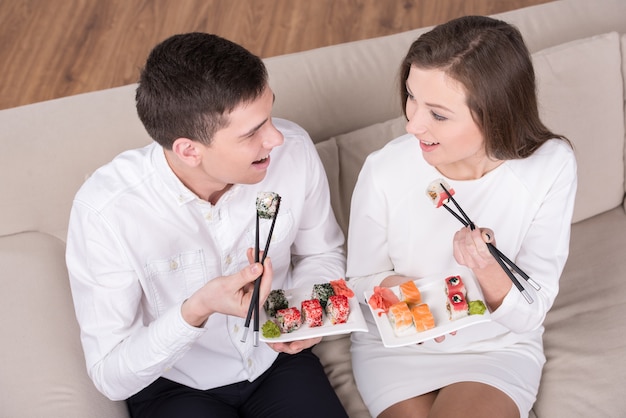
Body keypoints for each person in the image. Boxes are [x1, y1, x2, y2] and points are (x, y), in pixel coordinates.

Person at [65, 32, 348, 418]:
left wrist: (309, 311)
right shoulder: (106, 212)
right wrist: (196, 310)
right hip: (173, 383)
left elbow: (322, 252)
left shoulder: (294, 152)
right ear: (188, 150)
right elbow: (111, 375)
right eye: (252, 133)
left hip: (275, 359)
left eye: (269, 116)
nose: (277, 137)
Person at [346, 15, 577, 418]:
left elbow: (531, 310)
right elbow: (361, 281)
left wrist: (487, 269)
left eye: (437, 114)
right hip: (399, 343)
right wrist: (405, 295)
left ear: (495, 113)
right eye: (411, 96)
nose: (412, 124)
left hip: (496, 345)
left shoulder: (551, 166)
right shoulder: (384, 169)